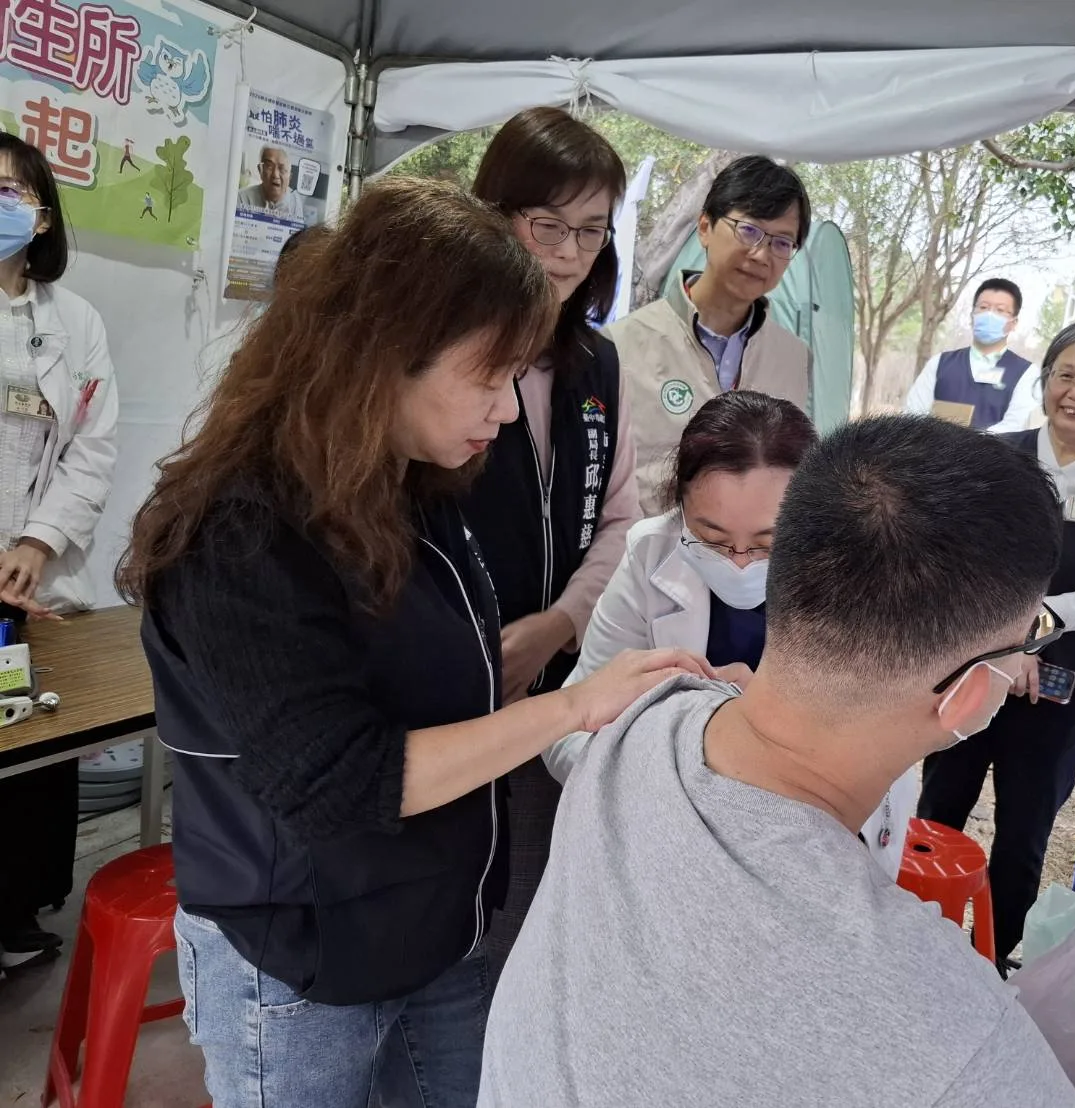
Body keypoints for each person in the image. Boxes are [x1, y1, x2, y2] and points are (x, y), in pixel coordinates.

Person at [117, 178, 709, 1107]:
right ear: (384, 352)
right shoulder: (238, 534)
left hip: (441, 930)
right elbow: (343, 783)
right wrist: (571, 704)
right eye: (489, 375)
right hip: (306, 956)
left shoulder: (414, 489)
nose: (509, 411)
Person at [480, 415, 1075, 1107]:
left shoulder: (642, 720)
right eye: (1027, 639)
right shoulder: (964, 1040)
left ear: (788, 559)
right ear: (970, 692)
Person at [549, 390, 918, 876]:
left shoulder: (862, 578)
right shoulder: (649, 554)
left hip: (813, 847)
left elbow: (890, 740)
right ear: (679, 507)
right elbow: (568, 733)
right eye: (713, 539)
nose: (739, 563)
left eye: (769, 543)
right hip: (666, 843)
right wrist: (679, 768)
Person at [917, 320, 1075, 964]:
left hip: (1060, 693)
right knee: (936, 814)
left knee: (1023, 839)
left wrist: (1039, 621)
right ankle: (909, 942)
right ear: (1046, 381)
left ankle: (991, 965)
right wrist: (1006, 642)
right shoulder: (992, 456)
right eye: (1065, 375)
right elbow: (958, 560)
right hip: (974, 673)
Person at [463, 107, 638, 987]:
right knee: (441, 904)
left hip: (553, 683)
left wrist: (559, 625)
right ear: (492, 215)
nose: (569, 252)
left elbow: (619, 520)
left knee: (524, 909)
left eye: (591, 230)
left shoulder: (596, 366)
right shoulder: (435, 352)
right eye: (547, 225)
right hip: (451, 682)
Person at [0, 132, 118, 972]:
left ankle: (16, 911)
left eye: (15, 189)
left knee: (35, 740)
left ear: (42, 213)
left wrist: (39, 542)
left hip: (32, 576)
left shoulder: (73, 320)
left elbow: (94, 445)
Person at [605, 155, 812, 514]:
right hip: (645, 561)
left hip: (751, 563)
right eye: (748, 230)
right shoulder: (622, 345)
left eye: (782, 243)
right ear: (704, 227)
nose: (761, 254)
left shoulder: (792, 357)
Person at [904, 277, 1037, 432]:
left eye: (1000, 310)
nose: (989, 315)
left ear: (1013, 323)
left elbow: (1016, 426)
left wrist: (966, 446)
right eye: (983, 307)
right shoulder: (940, 363)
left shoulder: (1026, 373)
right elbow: (913, 414)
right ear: (972, 315)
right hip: (932, 454)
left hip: (994, 455)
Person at [237, 145, 305, 221]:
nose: (275, 175)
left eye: (282, 168)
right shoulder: (242, 198)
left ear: (289, 177)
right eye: (269, 166)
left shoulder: (295, 200)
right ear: (260, 170)